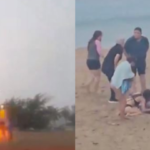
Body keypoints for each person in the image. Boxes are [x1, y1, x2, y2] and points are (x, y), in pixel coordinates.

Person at [124, 27, 149, 93]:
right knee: (132, 76)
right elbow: (125, 50)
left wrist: (143, 54)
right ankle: (133, 91)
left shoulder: (144, 40)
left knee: (142, 75)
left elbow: (146, 47)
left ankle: (144, 90)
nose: (136, 34)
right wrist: (129, 58)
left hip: (141, 60)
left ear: (140, 33)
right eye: (134, 32)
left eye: (137, 33)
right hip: (132, 61)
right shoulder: (130, 40)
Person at [102, 39, 124, 103]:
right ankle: (112, 98)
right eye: (123, 42)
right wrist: (115, 68)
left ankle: (115, 96)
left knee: (114, 81)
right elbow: (116, 58)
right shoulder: (120, 48)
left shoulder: (114, 47)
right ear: (122, 43)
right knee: (114, 82)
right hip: (109, 67)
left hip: (105, 66)